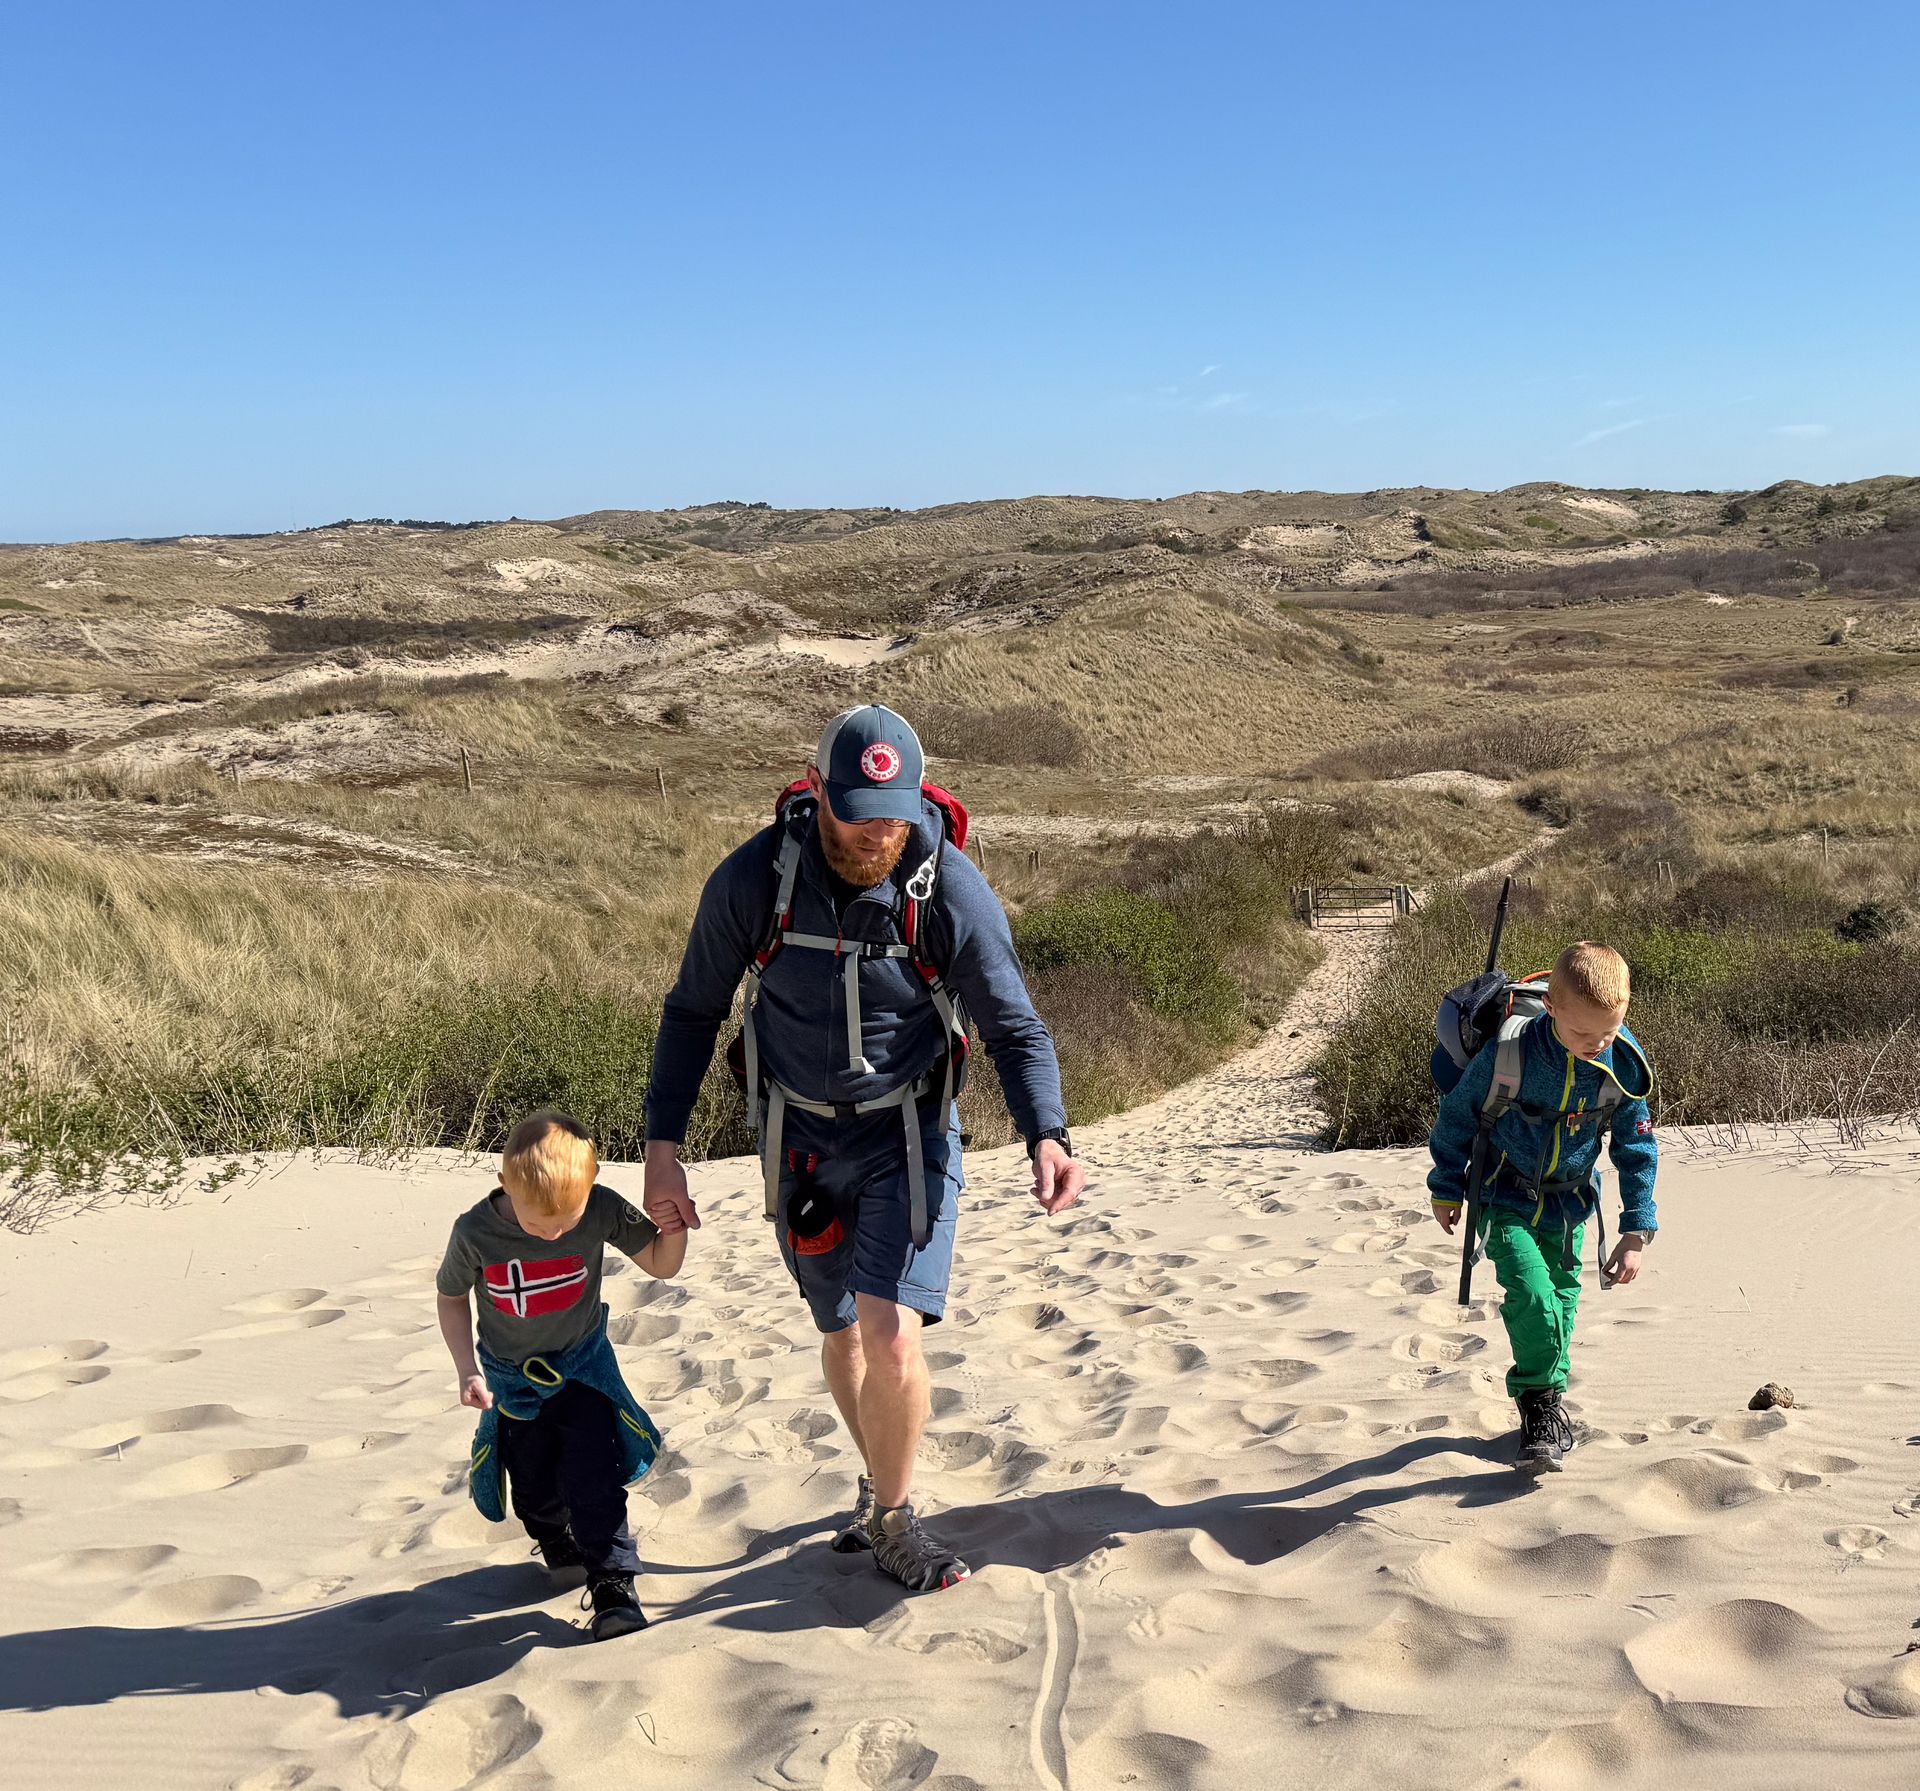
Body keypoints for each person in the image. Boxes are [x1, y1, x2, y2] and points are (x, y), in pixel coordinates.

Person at [642, 704, 1085, 1592]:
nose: (876, 833)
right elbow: (692, 1011)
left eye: (891, 814)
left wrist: (1048, 1130)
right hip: (798, 1141)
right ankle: (878, 1476)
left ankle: (894, 1516)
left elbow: (1014, 1025)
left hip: (907, 1136)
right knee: (840, 1330)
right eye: (855, 814)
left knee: (889, 1336)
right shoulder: (755, 881)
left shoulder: (947, 887)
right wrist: (663, 1145)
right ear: (817, 792)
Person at [436, 1110, 687, 1639]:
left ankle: (613, 1583)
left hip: (582, 1370)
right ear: (505, 1183)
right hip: (513, 1383)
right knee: (533, 1490)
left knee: (594, 1477)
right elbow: (451, 1297)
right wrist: (466, 1370)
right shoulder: (475, 1231)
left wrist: (673, 1225)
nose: (552, 1234)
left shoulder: (599, 1208)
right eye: (536, 1226)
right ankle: (553, 1536)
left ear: (591, 1186)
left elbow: (662, 1264)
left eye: (566, 1224)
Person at [1428, 941, 1657, 1473]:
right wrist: (1446, 1186)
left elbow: (1637, 1147)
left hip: (1572, 1203)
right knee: (1532, 1294)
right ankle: (1539, 1407)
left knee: (1561, 1302)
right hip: (1503, 1196)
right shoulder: (1509, 1054)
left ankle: (1545, 1405)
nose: (1597, 1045)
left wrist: (1636, 1228)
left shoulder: (1621, 1062)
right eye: (1583, 1034)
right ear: (1550, 1008)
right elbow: (1457, 1116)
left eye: (1609, 1031)